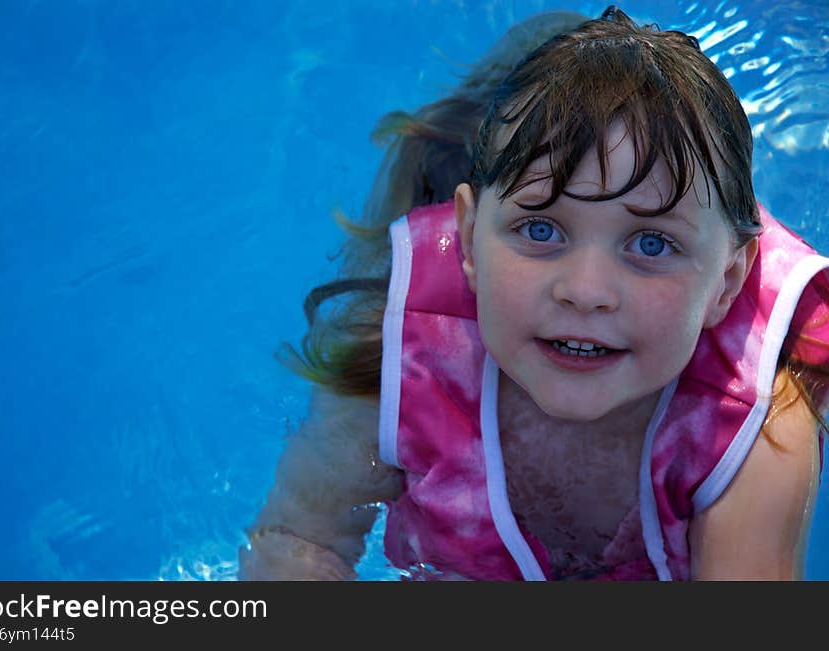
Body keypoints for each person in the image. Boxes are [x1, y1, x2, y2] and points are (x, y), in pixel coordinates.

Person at [239, 5, 829, 581]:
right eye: (541, 230)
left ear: (726, 281)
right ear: (468, 239)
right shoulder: (399, 357)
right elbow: (298, 541)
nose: (586, 291)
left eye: (650, 244)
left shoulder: (758, 427)